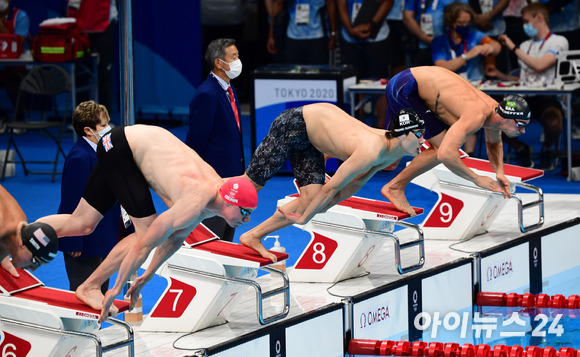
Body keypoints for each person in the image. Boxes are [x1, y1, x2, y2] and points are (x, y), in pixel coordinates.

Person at [36, 124, 258, 322]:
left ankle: (21, 235)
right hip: (123, 149)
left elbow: (175, 239)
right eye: (245, 212)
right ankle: (90, 286)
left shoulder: (216, 196)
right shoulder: (195, 201)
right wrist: (114, 289)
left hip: (118, 142)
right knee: (146, 234)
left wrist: (147, 275)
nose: (247, 219)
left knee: (82, 223)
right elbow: (145, 244)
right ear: (230, 202)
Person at [240, 103, 426, 262]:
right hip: (294, 123)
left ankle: (253, 236)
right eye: (419, 135)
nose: (423, 141)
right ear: (403, 135)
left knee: (311, 201)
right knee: (249, 186)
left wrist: (324, 206)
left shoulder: (392, 153)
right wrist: (305, 218)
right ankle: (214, 188)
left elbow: (356, 183)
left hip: (312, 137)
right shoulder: (371, 151)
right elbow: (331, 188)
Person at [381, 66, 530, 216]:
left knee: (389, 160)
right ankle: (395, 187)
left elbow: (493, 143)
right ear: (507, 117)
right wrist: (476, 179)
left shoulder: (495, 113)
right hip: (407, 88)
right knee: (440, 148)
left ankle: (358, 178)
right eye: (520, 125)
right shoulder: (477, 114)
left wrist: (499, 173)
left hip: (405, 82)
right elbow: (445, 155)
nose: (523, 131)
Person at [58, 101, 133, 294]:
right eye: (103, 124)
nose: (109, 128)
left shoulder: (102, 151)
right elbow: (71, 201)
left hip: (103, 236)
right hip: (85, 243)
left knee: (100, 292)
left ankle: (97, 326)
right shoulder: (80, 158)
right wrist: (74, 241)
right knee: (83, 294)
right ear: (88, 130)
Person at [487, 2, 568, 170]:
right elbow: (522, 78)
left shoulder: (559, 41)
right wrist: (500, 76)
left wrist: (513, 47)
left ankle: (547, 149)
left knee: (553, 122)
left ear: (538, 17)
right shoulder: (525, 46)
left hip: (547, 98)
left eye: (526, 21)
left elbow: (540, 66)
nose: (524, 26)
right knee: (492, 118)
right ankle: (521, 148)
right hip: (522, 99)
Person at [185, 39, 245, 242]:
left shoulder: (229, 89)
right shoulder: (206, 95)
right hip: (213, 181)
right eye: (234, 57)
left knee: (227, 236)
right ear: (219, 63)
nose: (238, 61)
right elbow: (196, 141)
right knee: (212, 237)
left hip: (231, 177)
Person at [431, 2, 501, 156]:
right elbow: (442, 66)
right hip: (447, 91)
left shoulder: (475, 36)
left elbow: (496, 46)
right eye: (461, 23)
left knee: (475, 110)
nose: (465, 26)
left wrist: (491, 48)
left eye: (468, 22)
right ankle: (449, 153)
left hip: (475, 90)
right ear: (451, 22)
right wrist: (468, 55)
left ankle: (469, 155)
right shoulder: (440, 41)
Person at [67, 0, 118, 111]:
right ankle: (81, 120)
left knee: (103, 75)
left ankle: (105, 121)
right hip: (80, 28)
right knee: (80, 74)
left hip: (104, 27)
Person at [0, 184, 58, 275]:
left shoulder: (19, 228)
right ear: (23, 245)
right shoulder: (4, 227)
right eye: (35, 262)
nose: (33, 269)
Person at [267, 0, 337, 65]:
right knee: (293, 74)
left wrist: (333, 33)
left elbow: (330, 4)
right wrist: (271, 35)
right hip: (293, 37)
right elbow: (278, 4)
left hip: (317, 37)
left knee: (318, 74)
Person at [403, 0, 467, 67]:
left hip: (447, 45)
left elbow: (464, 11)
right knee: (422, 74)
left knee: (444, 73)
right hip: (422, 44)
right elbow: (407, 17)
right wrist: (426, 38)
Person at [0, 0, 29, 126]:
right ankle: (2, 117)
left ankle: (19, 118)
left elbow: (16, 44)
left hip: (18, 67)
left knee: (13, 82)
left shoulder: (20, 16)